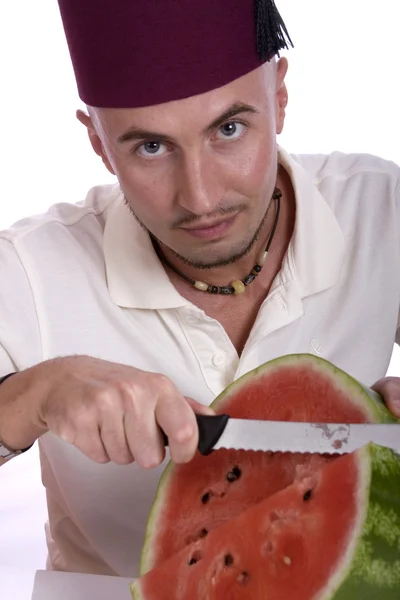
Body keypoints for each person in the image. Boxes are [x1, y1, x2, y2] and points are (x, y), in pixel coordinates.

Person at [0, 0, 399, 580]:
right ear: (98, 143)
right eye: (151, 148)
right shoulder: (28, 267)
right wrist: (31, 397)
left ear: (280, 96)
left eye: (229, 129)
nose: (201, 197)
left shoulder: (382, 209)